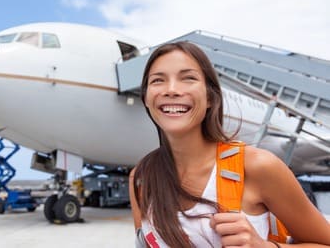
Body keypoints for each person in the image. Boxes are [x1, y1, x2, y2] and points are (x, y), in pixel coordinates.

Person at [129, 41, 330, 247]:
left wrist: (264, 246)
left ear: (210, 97)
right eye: (158, 80)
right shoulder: (142, 177)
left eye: (188, 78)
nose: (171, 90)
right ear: (145, 97)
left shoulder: (258, 166)